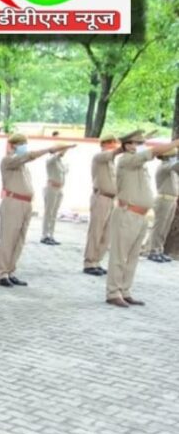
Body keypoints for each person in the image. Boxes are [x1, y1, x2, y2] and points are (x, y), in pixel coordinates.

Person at [105, 131, 179, 306]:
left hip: (140, 215)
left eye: (139, 143)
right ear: (126, 145)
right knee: (119, 256)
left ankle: (125, 290)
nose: (137, 146)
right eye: (134, 143)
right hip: (127, 214)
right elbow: (153, 151)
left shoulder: (139, 164)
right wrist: (175, 142)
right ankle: (113, 292)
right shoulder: (126, 160)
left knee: (132, 257)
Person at [0, 134, 73, 287]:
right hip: (13, 203)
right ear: (12, 146)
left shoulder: (24, 167)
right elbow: (29, 156)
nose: (24, 146)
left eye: (25, 143)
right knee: (8, 240)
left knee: (19, 241)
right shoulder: (8, 161)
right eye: (21, 144)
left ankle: (10, 271)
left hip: (25, 204)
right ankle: (1, 273)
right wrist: (50, 149)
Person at [83, 134, 122, 276]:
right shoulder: (99, 157)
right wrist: (124, 147)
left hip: (111, 199)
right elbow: (114, 153)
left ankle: (97, 261)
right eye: (111, 142)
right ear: (104, 143)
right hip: (101, 197)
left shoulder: (111, 162)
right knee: (96, 231)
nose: (113, 145)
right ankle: (89, 262)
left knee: (106, 233)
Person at [146, 148, 178, 263]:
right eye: (173, 156)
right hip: (164, 199)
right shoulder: (164, 167)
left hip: (171, 200)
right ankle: (153, 251)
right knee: (159, 227)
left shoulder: (170, 168)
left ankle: (159, 249)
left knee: (165, 227)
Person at [41, 137, 69, 246]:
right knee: (48, 212)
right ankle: (44, 235)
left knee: (54, 213)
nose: (64, 152)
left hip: (59, 189)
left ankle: (51, 234)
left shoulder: (60, 162)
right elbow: (53, 158)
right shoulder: (51, 160)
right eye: (63, 149)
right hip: (51, 188)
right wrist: (59, 151)